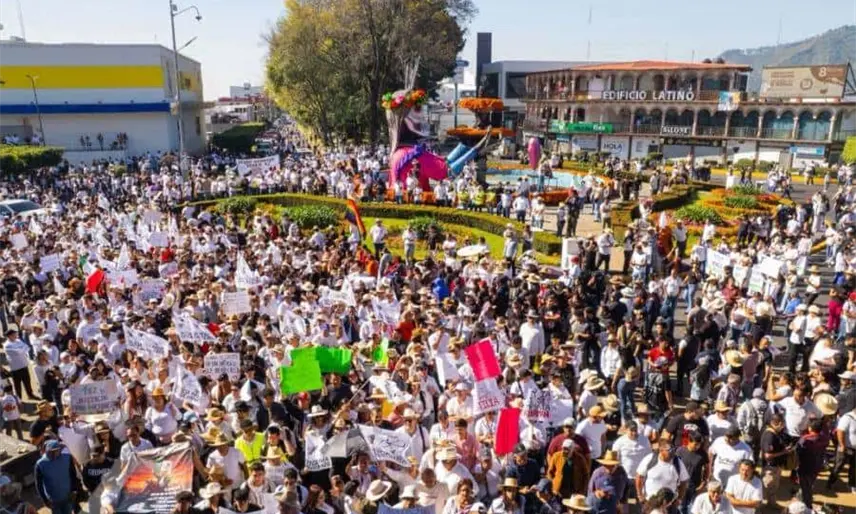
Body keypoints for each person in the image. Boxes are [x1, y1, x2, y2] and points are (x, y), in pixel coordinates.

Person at [34, 440, 80, 514]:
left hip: (67, 496)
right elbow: (38, 485)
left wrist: (74, 490)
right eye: (52, 451)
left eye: (57, 451)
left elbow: (73, 475)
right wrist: (45, 500)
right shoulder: (40, 464)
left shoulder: (67, 458)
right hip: (53, 500)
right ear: (46, 451)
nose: (55, 453)